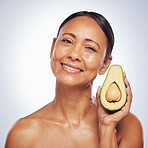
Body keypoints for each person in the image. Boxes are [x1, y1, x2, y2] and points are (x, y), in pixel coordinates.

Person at [5, 11, 143, 148]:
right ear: (53, 47)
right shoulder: (22, 133)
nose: (74, 54)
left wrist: (107, 127)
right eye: (67, 41)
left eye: (90, 48)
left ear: (105, 64)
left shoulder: (128, 127)